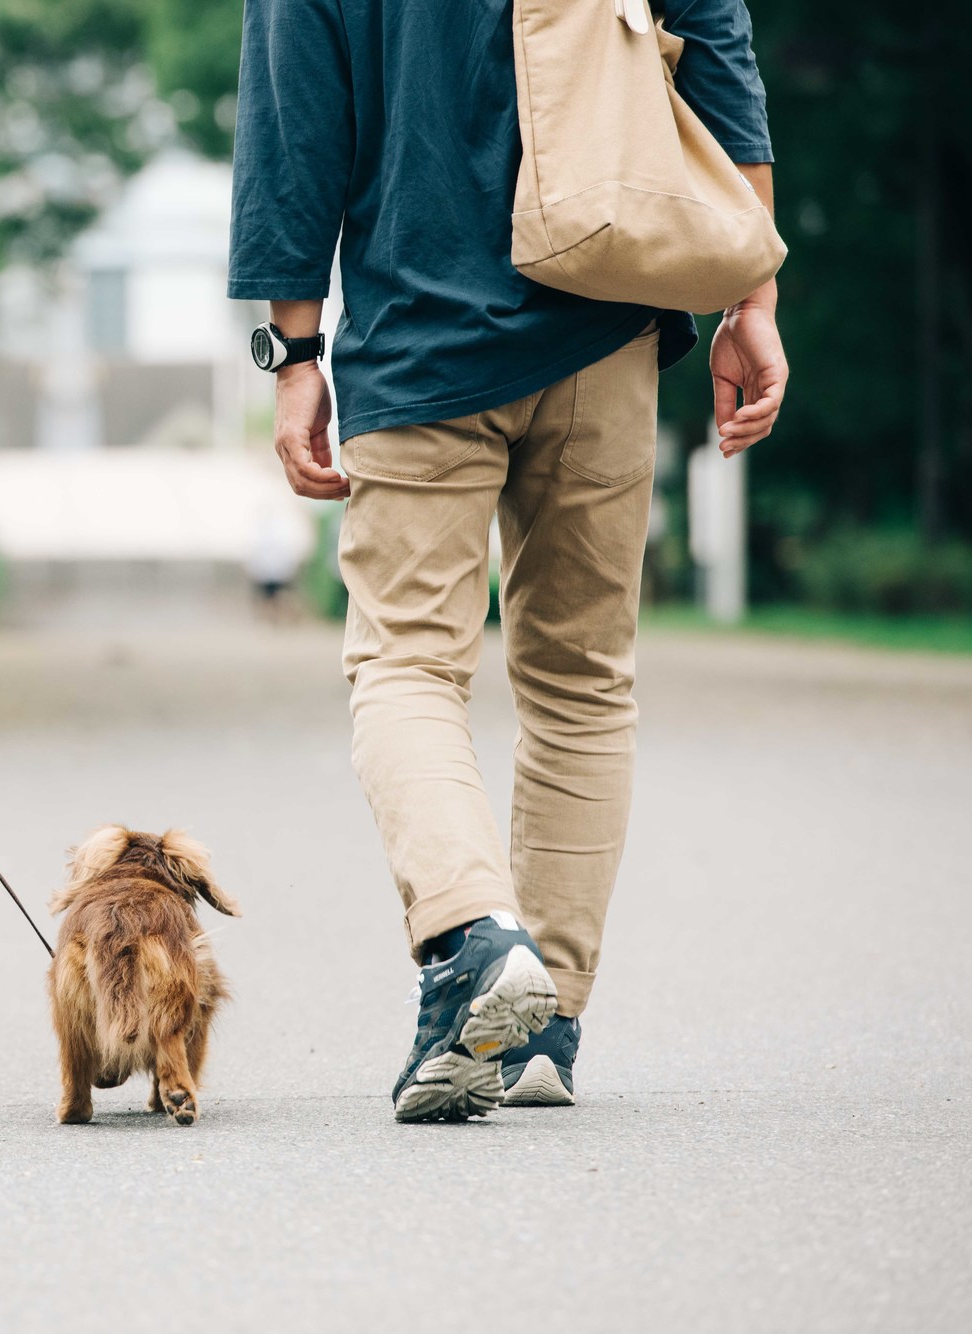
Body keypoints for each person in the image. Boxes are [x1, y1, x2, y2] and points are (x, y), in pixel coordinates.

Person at [228, 0, 787, 1120]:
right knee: (582, 680)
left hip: (416, 337)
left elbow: (295, 120)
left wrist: (293, 353)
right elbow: (714, 45)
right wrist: (750, 289)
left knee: (404, 665)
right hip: (607, 322)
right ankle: (545, 1026)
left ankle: (474, 940)